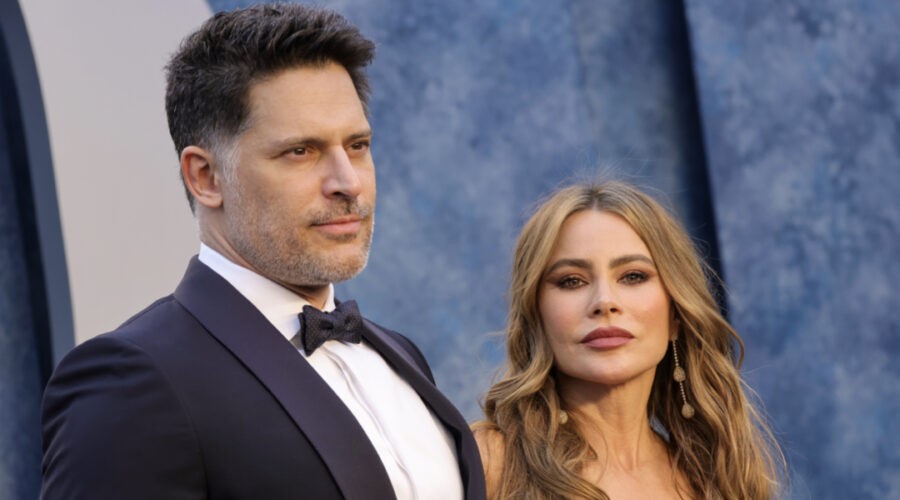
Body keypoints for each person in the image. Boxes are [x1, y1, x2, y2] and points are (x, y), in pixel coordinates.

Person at [40, 4, 485, 499]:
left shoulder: (400, 354)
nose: (348, 182)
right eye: (301, 151)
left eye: (357, 145)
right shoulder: (132, 380)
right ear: (205, 177)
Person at [473, 181, 785, 499]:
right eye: (571, 281)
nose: (605, 301)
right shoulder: (489, 462)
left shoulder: (717, 476)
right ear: (536, 316)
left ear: (677, 313)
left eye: (633, 276)